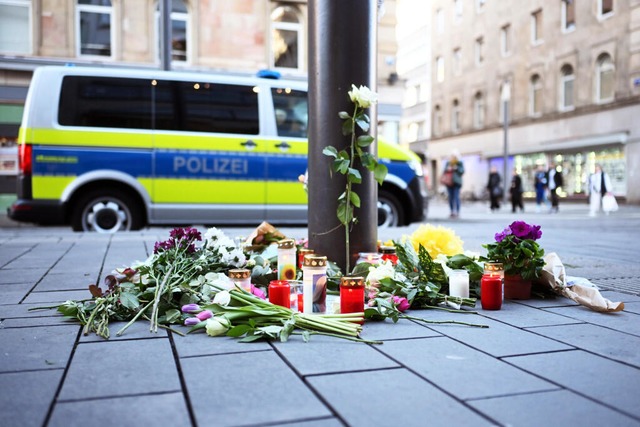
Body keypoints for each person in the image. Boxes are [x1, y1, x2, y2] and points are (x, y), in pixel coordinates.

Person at [443, 150, 464, 218]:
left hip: (456, 182)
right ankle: (452, 211)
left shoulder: (459, 163)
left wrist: (457, 168)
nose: (453, 157)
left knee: (456, 197)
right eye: (452, 156)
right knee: (450, 197)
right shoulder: (448, 163)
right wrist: (448, 169)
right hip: (449, 182)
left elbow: (462, 171)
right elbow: (444, 171)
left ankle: (457, 212)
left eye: (454, 156)